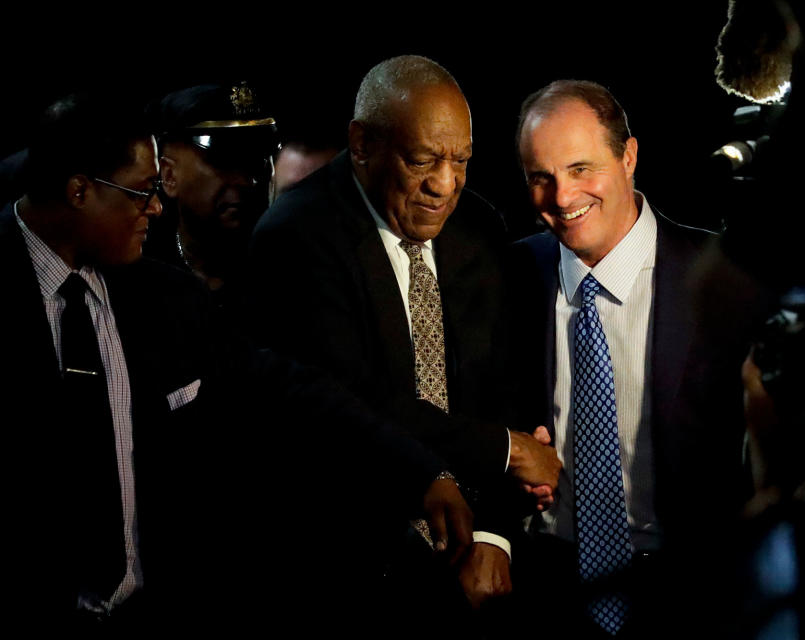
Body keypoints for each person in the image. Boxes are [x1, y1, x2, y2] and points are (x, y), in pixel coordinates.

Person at [0, 92, 472, 632]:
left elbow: (288, 390)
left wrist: (417, 469)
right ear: (79, 191)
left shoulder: (163, 297)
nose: (155, 207)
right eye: (140, 192)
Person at [246, 55, 561, 610]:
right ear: (362, 144)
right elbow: (351, 404)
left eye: (461, 160)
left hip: (479, 563)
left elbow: (502, 388)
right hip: (355, 568)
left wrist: (492, 537)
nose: (445, 185)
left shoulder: (479, 228)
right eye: (422, 161)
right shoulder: (296, 237)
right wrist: (503, 450)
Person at [510, 80, 748, 637]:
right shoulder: (508, 277)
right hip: (546, 595)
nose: (562, 197)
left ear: (629, 155)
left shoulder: (721, 277)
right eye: (540, 177)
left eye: (580, 169)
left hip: (692, 599)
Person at [148, 82, 277, 312]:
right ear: (169, 176)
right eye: (223, 162)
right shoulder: (137, 275)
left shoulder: (291, 269)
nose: (246, 180)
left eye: (256, 161)